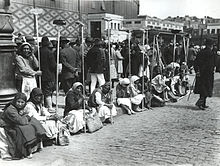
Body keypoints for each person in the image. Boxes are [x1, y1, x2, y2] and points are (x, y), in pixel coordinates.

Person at [1, 93, 45, 159]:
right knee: (23, 129)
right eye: (18, 102)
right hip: (8, 124)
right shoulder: (11, 109)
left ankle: (36, 142)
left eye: (22, 102)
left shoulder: (20, 107)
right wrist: (28, 116)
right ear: (15, 101)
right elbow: (21, 121)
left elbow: (21, 117)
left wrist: (26, 116)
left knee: (33, 122)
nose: (20, 104)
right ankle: (26, 150)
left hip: (15, 122)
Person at [194, 38, 216, 110]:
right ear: (211, 45)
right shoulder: (210, 53)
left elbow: (196, 62)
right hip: (207, 73)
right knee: (206, 88)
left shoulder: (201, 52)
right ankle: (200, 103)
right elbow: (210, 64)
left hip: (201, 72)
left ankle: (203, 103)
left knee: (202, 88)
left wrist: (197, 70)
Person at [40, 36, 57, 110]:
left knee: (43, 90)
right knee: (48, 91)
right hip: (49, 74)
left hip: (41, 74)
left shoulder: (38, 51)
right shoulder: (49, 53)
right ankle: (49, 106)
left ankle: (43, 104)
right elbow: (53, 65)